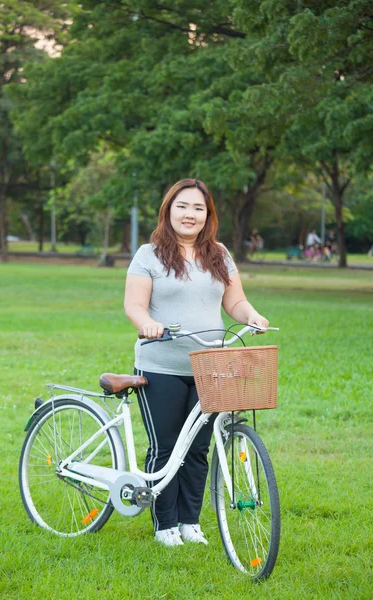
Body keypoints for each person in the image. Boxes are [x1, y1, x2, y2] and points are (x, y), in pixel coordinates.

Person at [124, 178, 269, 547]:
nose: (190, 214)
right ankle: (165, 525)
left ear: (208, 216)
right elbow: (134, 305)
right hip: (162, 365)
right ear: (168, 210)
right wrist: (147, 325)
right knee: (167, 447)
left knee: (200, 448)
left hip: (211, 365)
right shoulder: (149, 254)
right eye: (183, 206)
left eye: (198, 208)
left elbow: (235, 302)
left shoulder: (218, 253)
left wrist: (251, 315)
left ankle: (191, 522)